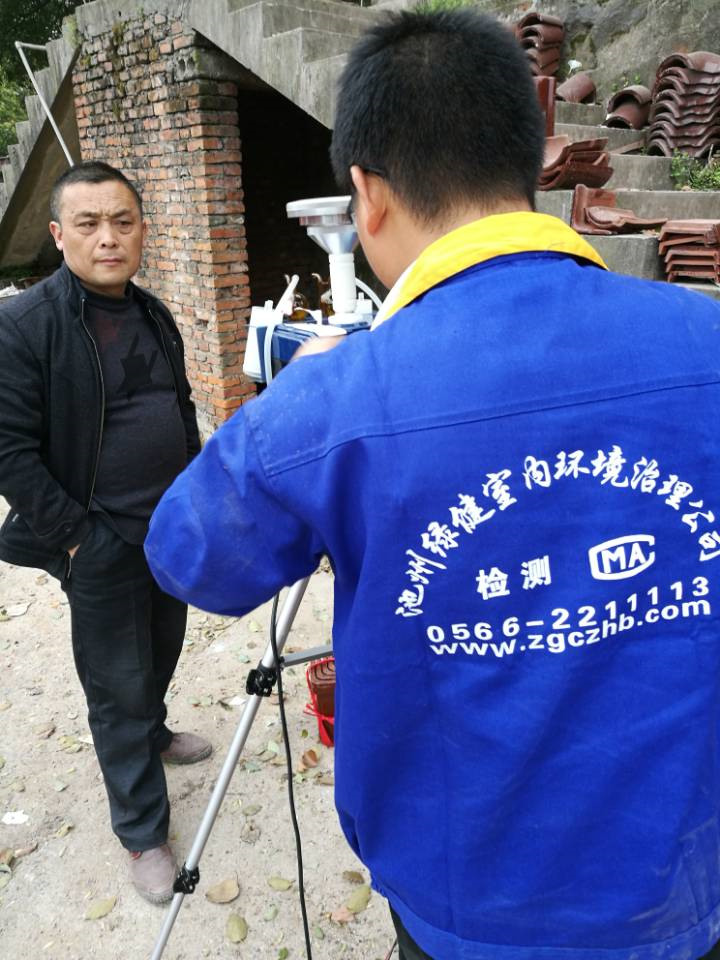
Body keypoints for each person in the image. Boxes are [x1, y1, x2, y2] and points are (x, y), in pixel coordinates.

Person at [145, 9, 720, 959]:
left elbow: (188, 556)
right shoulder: (703, 338)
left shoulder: (334, 398)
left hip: (468, 903)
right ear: (534, 161)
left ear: (367, 194)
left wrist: (290, 408)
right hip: (688, 885)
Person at [0, 161, 212, 905]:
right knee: (116, 685)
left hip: (168, 529)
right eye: (88, 224)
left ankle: (154, 734)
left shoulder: (153, 313)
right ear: (59, 235)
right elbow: (9, 451)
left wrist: (195, 495)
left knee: (162, 644)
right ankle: (143, 831)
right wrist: (75, 539)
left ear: (143, 230)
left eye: (123, 221)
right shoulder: (25, 326)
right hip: (97, 539)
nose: (108, 238)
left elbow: (178, 410)